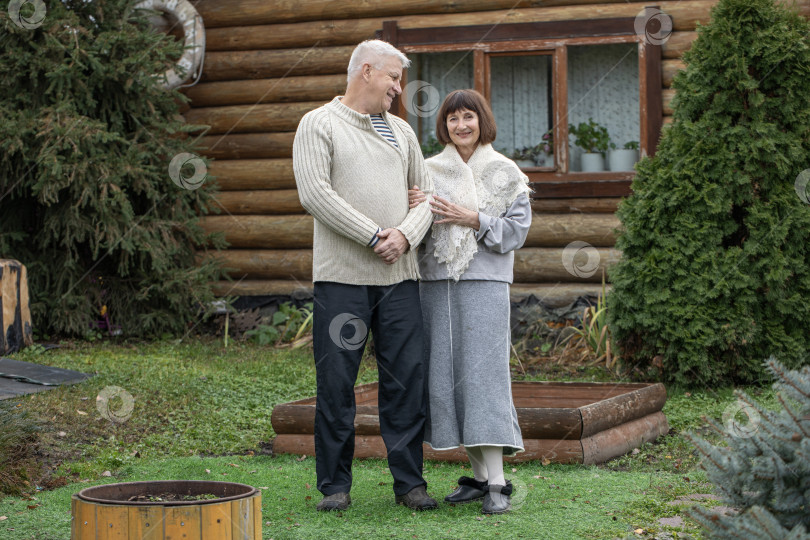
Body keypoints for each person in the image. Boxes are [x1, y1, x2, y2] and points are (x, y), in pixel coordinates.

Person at [292, 39, 437, 512]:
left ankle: (410, 484)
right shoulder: (318, 124)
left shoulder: (401, 132)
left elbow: (426, 196)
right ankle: (335, 487)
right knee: (336, 383)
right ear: (367, 71)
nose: (399, 88)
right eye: (394, 77)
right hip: (342, 283)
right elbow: (316, 193)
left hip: (400, 283)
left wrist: (405, 237)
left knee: (406, 381)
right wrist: (377, 235)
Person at [408, 89, 532, 514]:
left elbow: (516, 233)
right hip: (435, 283)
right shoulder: (427, 171)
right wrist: (414, 208)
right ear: (443, 126)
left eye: (469, 117)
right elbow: (415, 229)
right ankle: (480, 479)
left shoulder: (504, 172)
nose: (461, 126)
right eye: (453, 119)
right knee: (448, 377)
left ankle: (498, 484)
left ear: (483, 121)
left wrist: (473, 218)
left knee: (482, 379)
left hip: (484, 283)